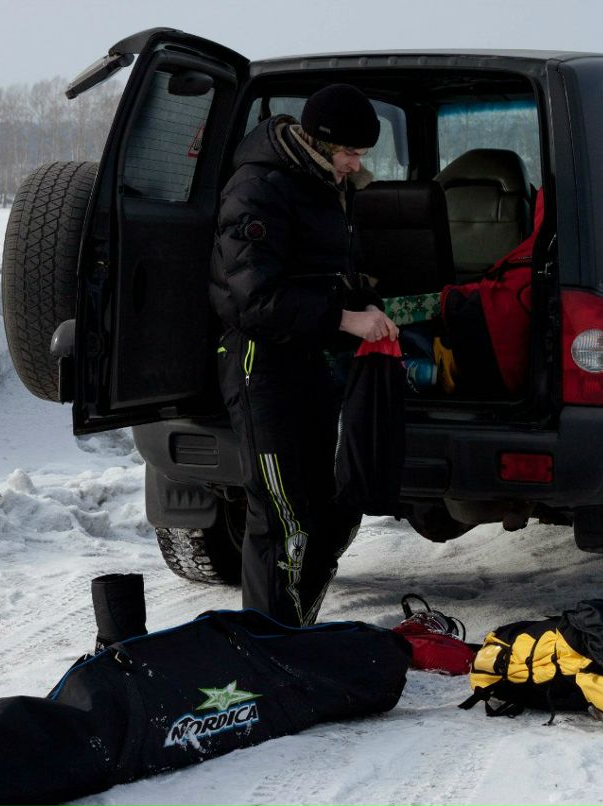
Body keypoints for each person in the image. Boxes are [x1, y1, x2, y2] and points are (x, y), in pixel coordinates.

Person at [209, 83, 399, 627]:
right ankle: (272, 643)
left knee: (320, 503)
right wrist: (344, 318)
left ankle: (296, 628)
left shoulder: (322, 184)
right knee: (281, 511)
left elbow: (317, 272)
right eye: (350, 153)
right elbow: (254, 298)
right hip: (260, 362)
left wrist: (363, 298)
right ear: (317, 141)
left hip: (310, 359)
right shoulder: (258, 189)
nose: (355, 165)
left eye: (362, 155)